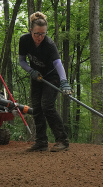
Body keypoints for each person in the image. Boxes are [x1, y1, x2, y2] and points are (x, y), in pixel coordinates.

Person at [19, 11, 73, 152]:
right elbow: (21, 61)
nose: (39, 37)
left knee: (47, 106)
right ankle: (41, 142)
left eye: (43, 34)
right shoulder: (24, 40)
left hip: (51, 77)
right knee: (36, 108)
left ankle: (62, 140)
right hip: (36, 76)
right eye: (37, 33)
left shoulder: (49, 44)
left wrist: (64, 82)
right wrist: (31, 71)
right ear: (31, 30)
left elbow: (58, 64)